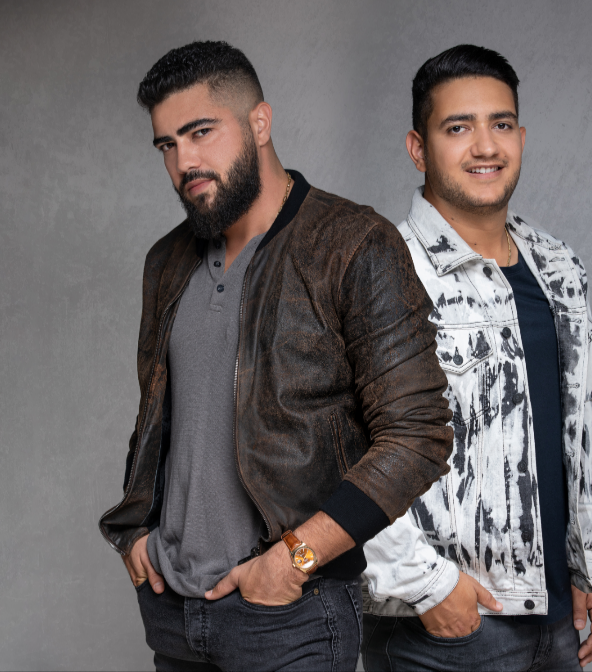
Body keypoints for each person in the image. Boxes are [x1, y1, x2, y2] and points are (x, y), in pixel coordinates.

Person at [98, 41, 453, 672]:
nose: (184, 161)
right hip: (174, 614)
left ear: (260, 122)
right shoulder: (166, 262)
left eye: (201, 132)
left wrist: (296, 559)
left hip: (290, 616)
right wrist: (135, 534)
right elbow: (159, 418)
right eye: (166, 145)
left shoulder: (353, 244)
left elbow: (418, 434)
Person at [361, 45, 592, 671]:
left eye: (500, 124)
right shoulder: (382, 269)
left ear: (521, 138)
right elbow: (342, 447)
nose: (485, 147)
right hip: (443, 630)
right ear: (418, 148)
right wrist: (426, 586)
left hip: (557, 618)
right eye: (458, 128)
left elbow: (583, 428)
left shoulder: (559, 265)